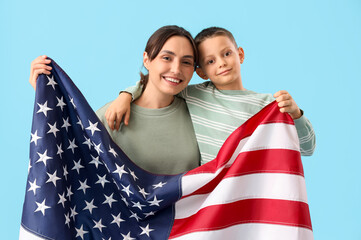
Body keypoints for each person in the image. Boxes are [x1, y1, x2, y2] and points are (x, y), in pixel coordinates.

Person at [105, 27, 316, 164]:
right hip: (212, 199)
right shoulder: (195, 94)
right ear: (201, 72)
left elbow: (307, 148)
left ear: (240, 54)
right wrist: (126, 95)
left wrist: (296, 115)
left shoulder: (267, 104)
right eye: (210, 61)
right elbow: (157, 85)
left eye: (227, 54)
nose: (222, 63)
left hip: (252, 188)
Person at [28, 25, 200, 174]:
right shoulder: (109, 115)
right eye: (167, 58)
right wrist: (46, 95)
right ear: (147, 59)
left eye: (186, 62)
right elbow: (71, 160)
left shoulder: (198, 110)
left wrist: (128, 93)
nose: (176, 69)